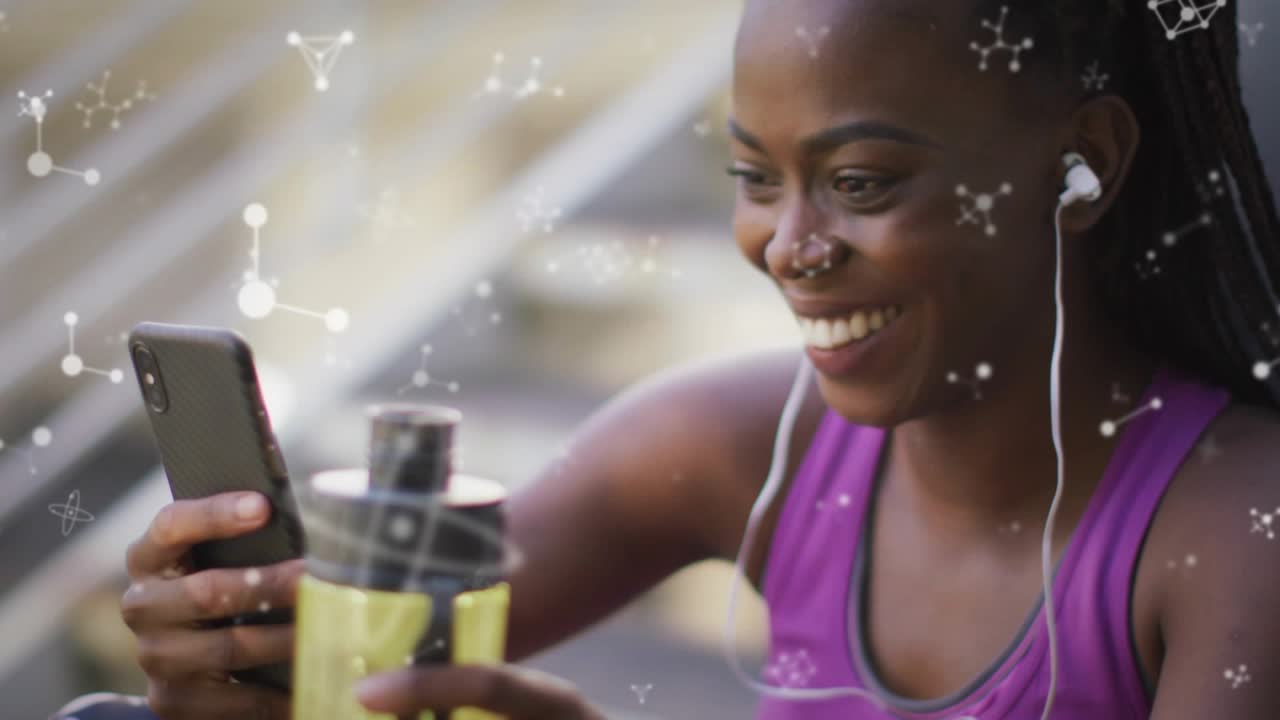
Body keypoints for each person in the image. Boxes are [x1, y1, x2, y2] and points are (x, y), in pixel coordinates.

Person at [54, 0, 1280, 717]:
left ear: (1084, 164)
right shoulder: (737, 447)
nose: (786, 247)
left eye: (858, 182)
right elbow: (382, 658)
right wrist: (241, 638)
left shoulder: (1228, 534)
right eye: (754, 178)